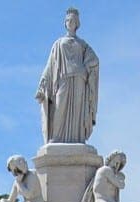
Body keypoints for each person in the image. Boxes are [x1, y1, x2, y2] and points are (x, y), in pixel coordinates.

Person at [35, 7, 99, 144]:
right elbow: (50, 65)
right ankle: (56, 137)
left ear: (77, 24)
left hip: (79, 79)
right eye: (68, 20)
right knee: (59, 106)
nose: (71, 22)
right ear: (65, 23)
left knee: (77, 110)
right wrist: (42, 85)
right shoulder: (58, 43)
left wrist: (85, 67)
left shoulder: (82, 44)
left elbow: (94, 60)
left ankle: (77, 138)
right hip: (63, 78)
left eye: (74, 20)